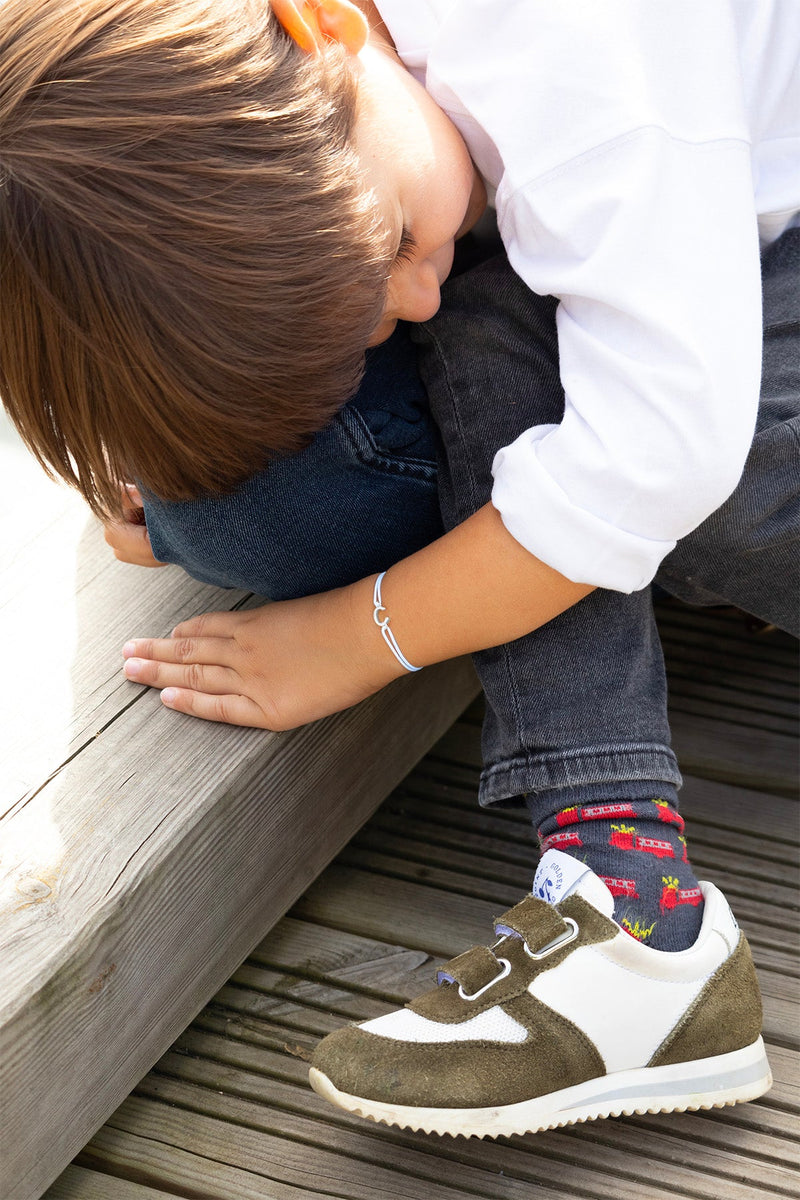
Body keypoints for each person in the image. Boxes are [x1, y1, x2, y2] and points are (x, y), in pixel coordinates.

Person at [1, 0, 797, 1138]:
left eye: (383, 249)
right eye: (360, 316)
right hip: (678, 284)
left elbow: (656, 456)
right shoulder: (319, 98)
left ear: (319, 24)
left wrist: (359, 636)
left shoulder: (576, 62)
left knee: (536, 353)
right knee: (256, 501)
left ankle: (635, 912)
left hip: (753, 311)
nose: (405, 298)